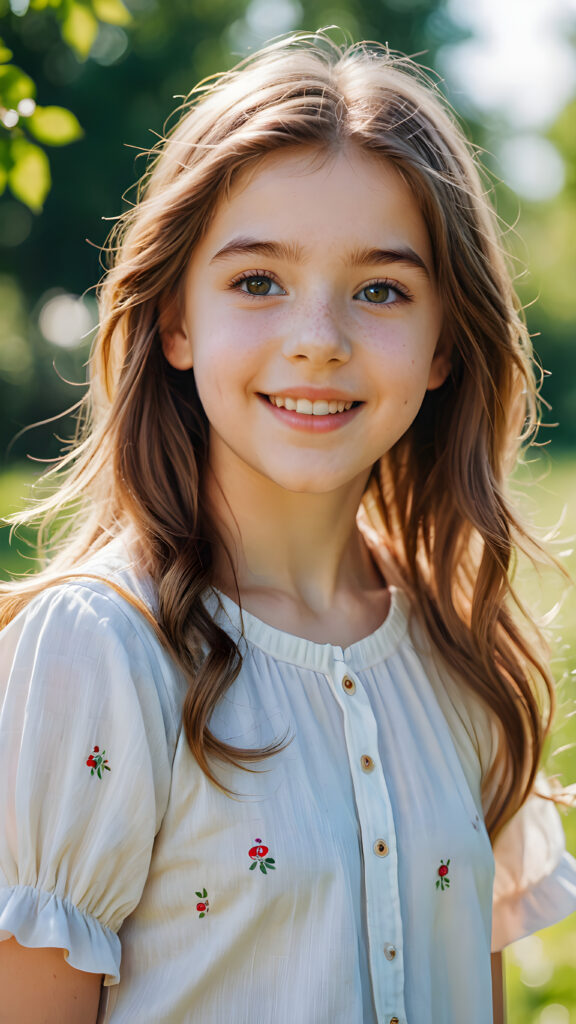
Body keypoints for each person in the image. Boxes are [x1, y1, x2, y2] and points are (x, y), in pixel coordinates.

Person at [0, 32, 574, 1024]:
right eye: (258, 281)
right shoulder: (97, 655)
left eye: (382, 289)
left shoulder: (456, 648)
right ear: (176, 321)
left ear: (445, 344)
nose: (319, 338)